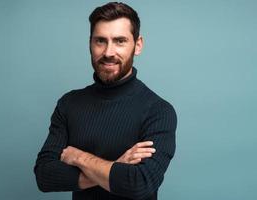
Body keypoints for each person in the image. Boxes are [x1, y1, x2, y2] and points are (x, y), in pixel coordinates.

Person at [34, 2, 177, 200]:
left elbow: (139, 183)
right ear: (90, 43)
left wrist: (79, 158)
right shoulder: (69, 104)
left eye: (120, 41)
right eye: (100, 41)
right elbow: (44, 176)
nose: (109, 52)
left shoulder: (158, 111)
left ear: (138, 45)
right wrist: (117, 167)